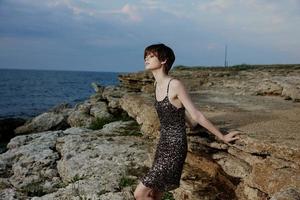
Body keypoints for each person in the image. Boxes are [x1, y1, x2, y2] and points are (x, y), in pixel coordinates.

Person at [133, 43, 241, 200]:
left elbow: (196, 114)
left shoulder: (175, 84)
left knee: (140, 193)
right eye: (146, 56)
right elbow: (176, 110)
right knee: (156, 193)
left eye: (151, 56)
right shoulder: (156, 84)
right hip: (163, 144)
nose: (146, 59)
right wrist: (190, 123)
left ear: (163, 60)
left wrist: (222, 136)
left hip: (175, 146)